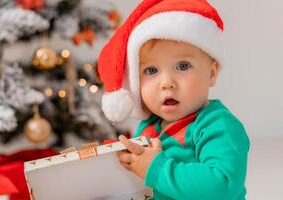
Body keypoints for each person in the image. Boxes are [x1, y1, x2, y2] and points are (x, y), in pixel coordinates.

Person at [97, 0, 250, 199]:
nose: (167, 82)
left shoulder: (218, 125)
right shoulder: (149, 127)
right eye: (151, 70)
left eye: (183, 66)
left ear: (211, 74)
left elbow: (221, 185)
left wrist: (156, 168)